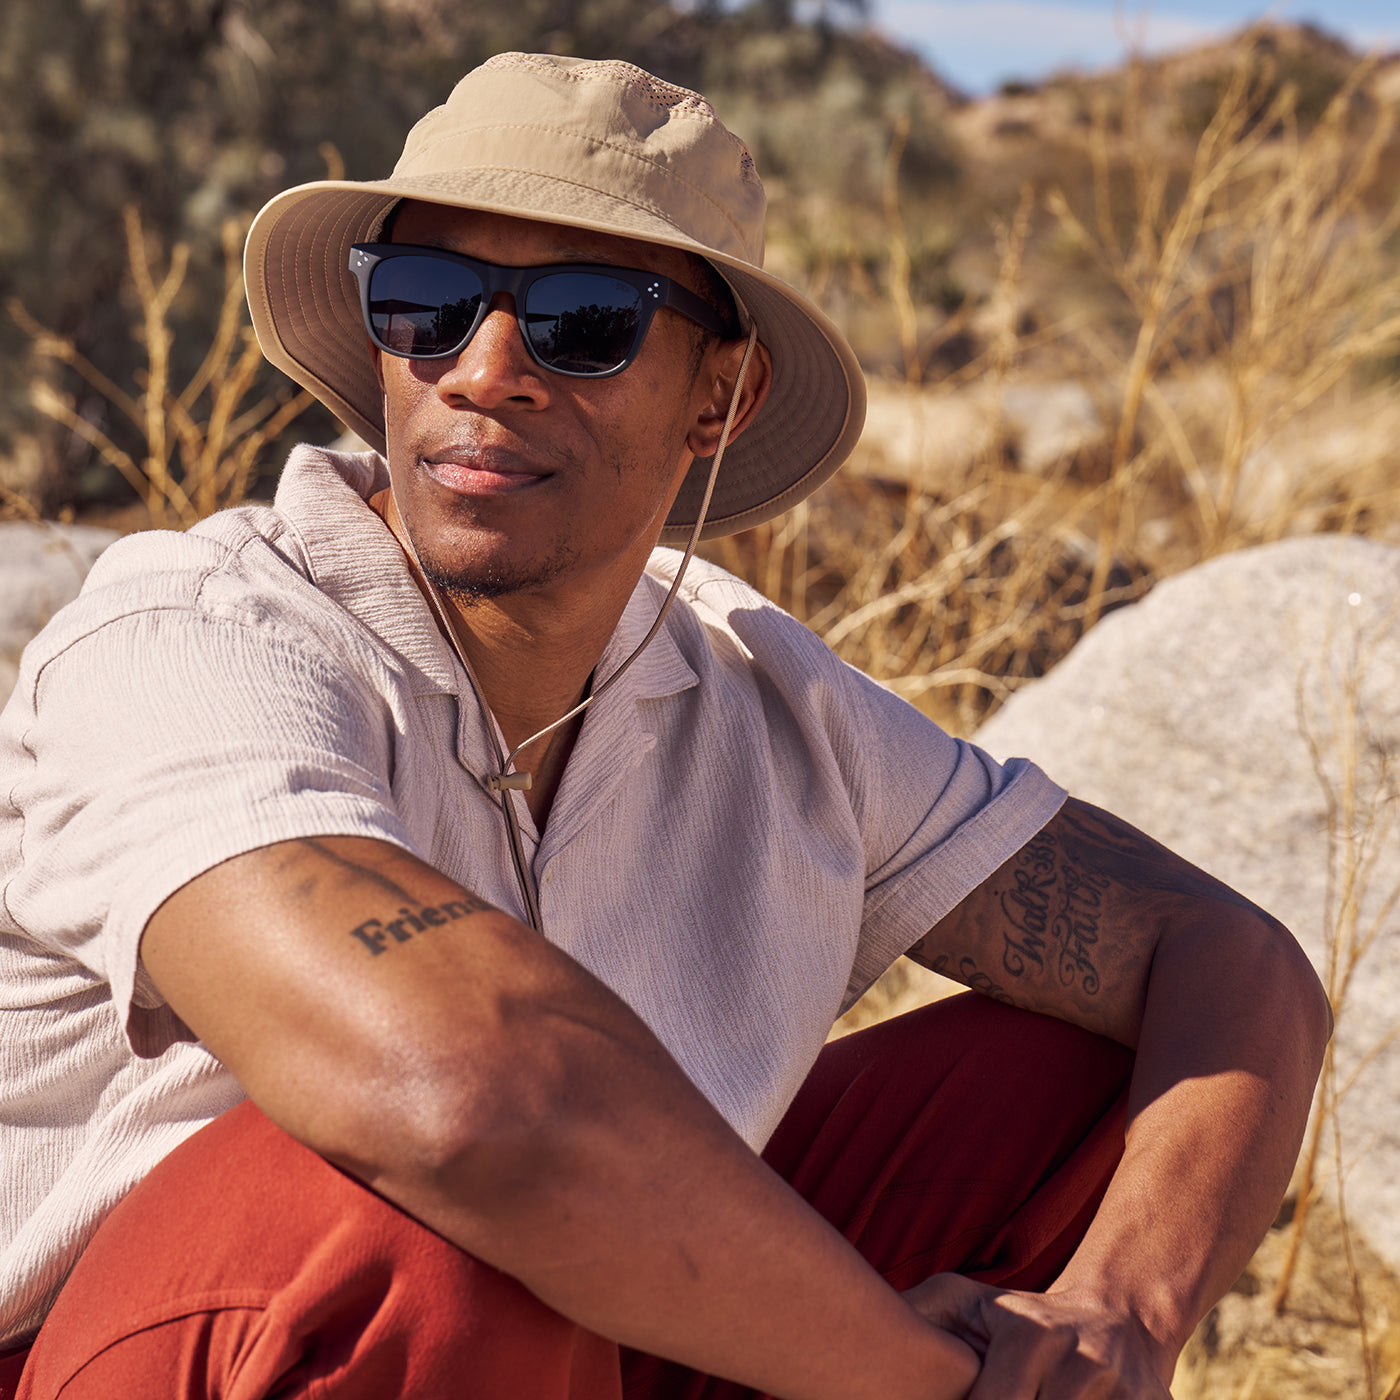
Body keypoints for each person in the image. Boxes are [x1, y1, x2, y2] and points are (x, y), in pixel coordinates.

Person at [0, 51, 1328, 1400]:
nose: (487, 370)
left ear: (722, 397)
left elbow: (1226, 954)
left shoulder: (757, 693)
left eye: (585, 320)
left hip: (572, 1349)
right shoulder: (190, 641)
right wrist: (930, 1384)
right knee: (407, 1222)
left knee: (1085, 1074)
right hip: (137, 1352)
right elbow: (472, 1104)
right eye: (429, 304)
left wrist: (1120, 1317)